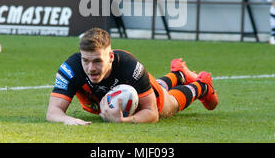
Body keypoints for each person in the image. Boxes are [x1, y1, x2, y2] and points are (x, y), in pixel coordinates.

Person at [46, 28, 219, 125]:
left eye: (98, 61)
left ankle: (202, 86)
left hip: (142, 90)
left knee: (169, 106)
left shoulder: (130, 66)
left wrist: (124, 120)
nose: (91, 68)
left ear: (111, 57)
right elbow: (53, 111)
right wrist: (67, 120)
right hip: (117, 96)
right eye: (86, 60)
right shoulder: (70, 68)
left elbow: (151, 113)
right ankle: (179, 74)